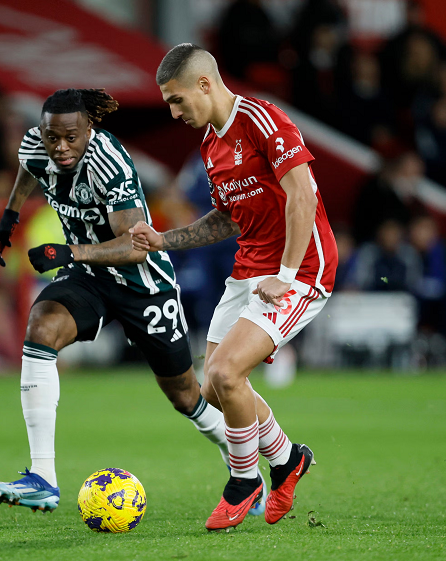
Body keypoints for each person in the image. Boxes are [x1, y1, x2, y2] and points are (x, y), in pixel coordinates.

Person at [0, 88, 259, 514]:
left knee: (186, 395)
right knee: (41, 326)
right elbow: (29, 167)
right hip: (90, 277)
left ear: (89, 129)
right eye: (51, 137)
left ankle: (246, 470)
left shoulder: (109, 162)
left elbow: (136, 247)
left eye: (70, 138)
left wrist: (70, 251)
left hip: (142, 283)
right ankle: (43, 477)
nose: (60, 147)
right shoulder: (37, 145)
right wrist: (10, 215)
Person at [131, 44, 338, 531]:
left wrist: (285, 277)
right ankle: (287, 460)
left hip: (301, 268)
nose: (175, 112)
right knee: (217, 388)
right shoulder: (209, 144)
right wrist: (164, 239)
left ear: (204, 84)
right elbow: (227, 216)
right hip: (250, 270)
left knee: (225, 372)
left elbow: (302, 193)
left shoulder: (263, 119)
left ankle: (243, 479)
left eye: (177, 100)